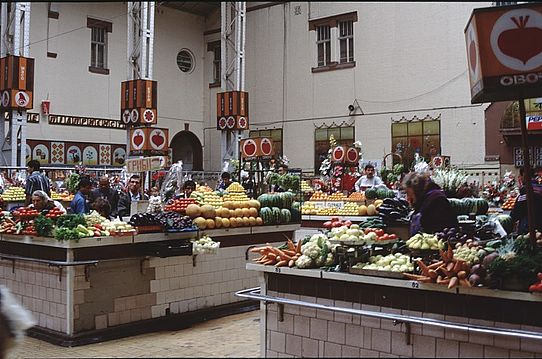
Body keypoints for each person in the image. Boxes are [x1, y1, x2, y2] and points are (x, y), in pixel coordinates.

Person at [510, 169, 542, 234]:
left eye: (520, 176)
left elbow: (518, 210)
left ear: (524, 175)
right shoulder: (540, 187)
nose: (520, 178)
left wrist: (512, 218)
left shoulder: (526, 189)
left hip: (529, 226)